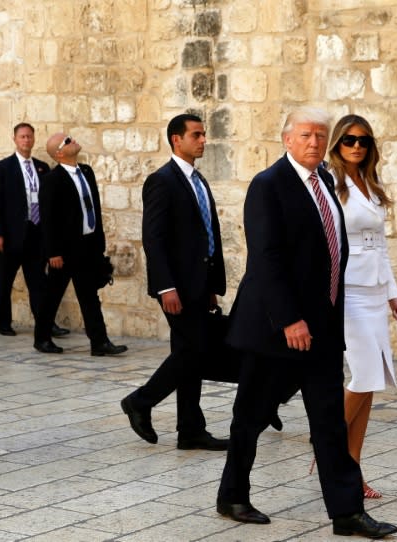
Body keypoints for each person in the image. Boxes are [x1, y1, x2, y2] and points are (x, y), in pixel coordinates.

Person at [217, 107, 397, 538]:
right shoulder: (268, 186)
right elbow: (267, 259)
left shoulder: (326, 187)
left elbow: (334, 257)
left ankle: (347, 513)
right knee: (252, 415)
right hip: (276, 329)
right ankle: (233, 495)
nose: (314, 142)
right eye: (305, 135)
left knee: (329, 422)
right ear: (287, 140)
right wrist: (289, 319)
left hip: (320, 330)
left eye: (320, 135)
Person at [120, 114, 229, 451]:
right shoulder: (162, 181)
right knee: (194, 350)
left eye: (203, 134)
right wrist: (166, 287)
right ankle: (140, 401)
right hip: (177, 287)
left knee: (190, 352)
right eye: (196, 135)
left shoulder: (200, 181)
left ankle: (190, 429)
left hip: (199, 285)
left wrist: (211, 284)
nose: (203, 140)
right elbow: (153, 238)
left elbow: (207, 236)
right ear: (176, 140)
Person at [328, 114, 397, 499]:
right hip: (349, 290)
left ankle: (352, 469)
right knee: (362, 375)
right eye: (348, 140)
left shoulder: (371, 184)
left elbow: (382, 244)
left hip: (376, 291)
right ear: (337, 144)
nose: (356, 146)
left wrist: (393, 293)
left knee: (373, 380)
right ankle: (328, 447)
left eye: (363, 140)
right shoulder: (331, 183)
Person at [33, 133, 126, 356]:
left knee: (89, 295)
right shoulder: (52, 180)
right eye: (67, 141)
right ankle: (42, 338)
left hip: (88, 246)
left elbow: (93, 206)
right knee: (53, 294)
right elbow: (47, 218)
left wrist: (99, 241)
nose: (73, 141)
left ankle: (99, 342)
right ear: (59, 153)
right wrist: (52, 252)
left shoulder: (86, 171)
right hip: (64, 250)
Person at [0, 123, 69, 338]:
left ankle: (46, 323)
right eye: (22, 137)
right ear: (15, 139)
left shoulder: (42, 167)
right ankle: (3, 322)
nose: (26, 141)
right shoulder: (2, 168)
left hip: (36, 235)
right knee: (5, 281)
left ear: (34, 139)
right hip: (11, 236)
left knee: (39, 283)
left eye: (29, 137)